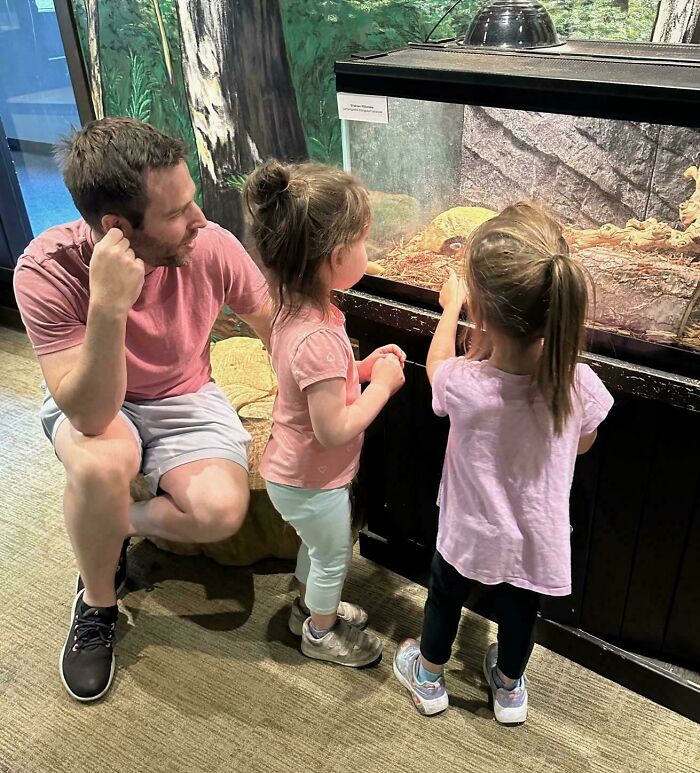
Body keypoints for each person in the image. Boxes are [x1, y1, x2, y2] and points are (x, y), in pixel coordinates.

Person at [13, 117, 273, 702]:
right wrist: (107, 305)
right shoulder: (45, 270)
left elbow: (273, 326)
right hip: (98, 397)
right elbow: (89, 416)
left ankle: (110, 528)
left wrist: (326, 386)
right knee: (105, 460)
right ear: (117, 228)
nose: (199, 220)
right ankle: (98, 601)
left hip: (184, 392)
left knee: (219, 511)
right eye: (178, 211)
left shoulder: (210, 247)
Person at [393, 203, 614, 724]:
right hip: (537, 532)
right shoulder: (577, 383)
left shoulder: (468, 385)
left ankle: (428, 675)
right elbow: (584, 445)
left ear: (484, 314)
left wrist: (450, 308)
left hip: (469, 526)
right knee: (521, 610)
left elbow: (436, 367)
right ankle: (509, 687)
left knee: (445, 596)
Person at [244, 160, 405, 667]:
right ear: (336, 256)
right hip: (313, 480)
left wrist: (356, 370)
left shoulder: (296, 310)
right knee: (334, 555)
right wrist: (381, 387)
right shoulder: (316, 334)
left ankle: (307, 607)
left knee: (316, 548)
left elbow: (314, 385)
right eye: (363, 242)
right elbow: (333, 427)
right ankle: (321, 632)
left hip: (295, 473)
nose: (369, 251)